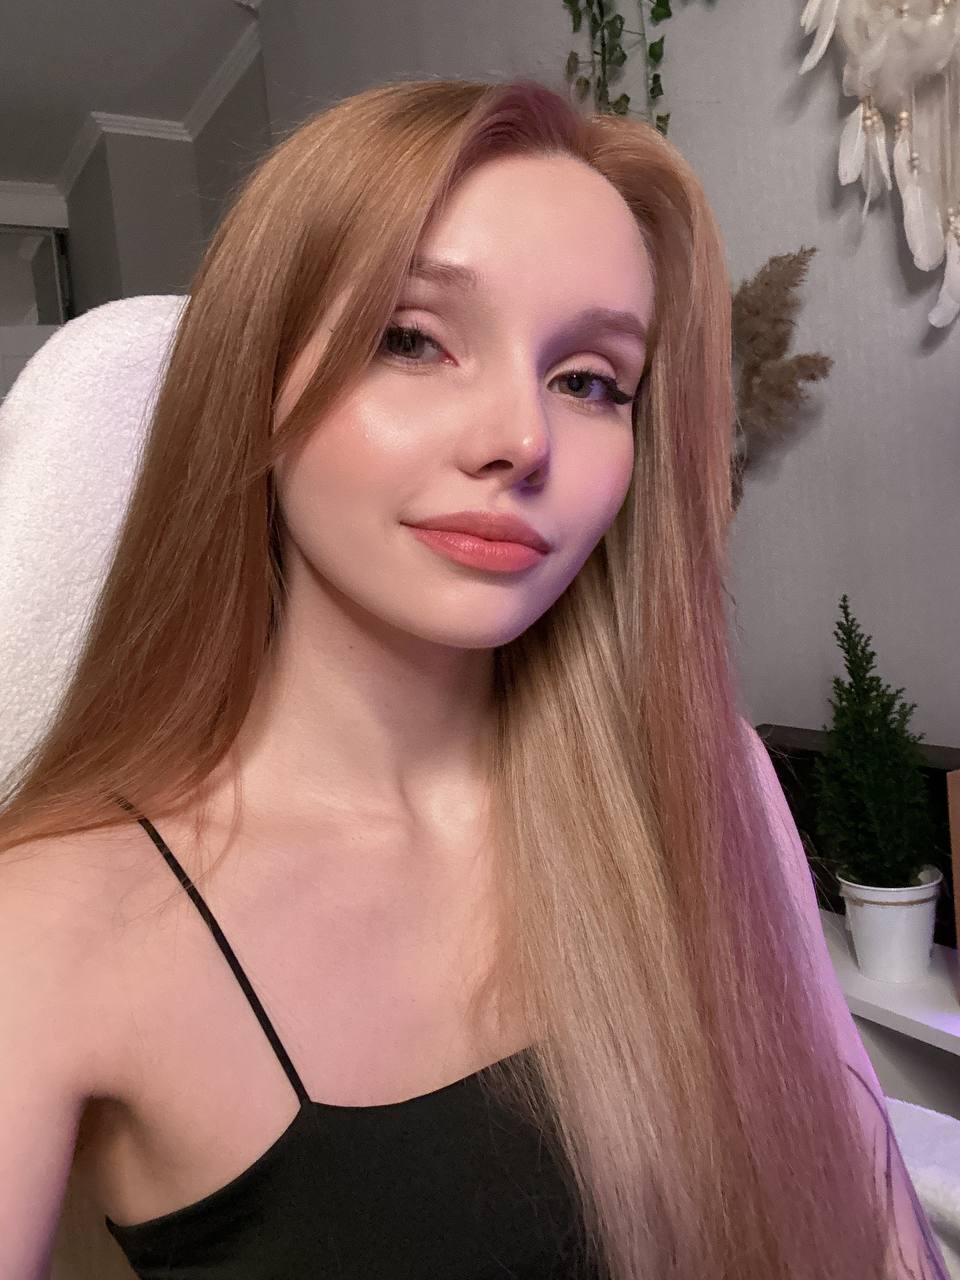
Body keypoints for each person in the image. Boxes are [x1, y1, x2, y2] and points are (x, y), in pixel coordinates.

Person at [0, 76, 950, 1280]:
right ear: (252, 382)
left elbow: (867, 1216)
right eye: (412, 338)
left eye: (590, 379)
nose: (523, 439)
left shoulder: (704, 778)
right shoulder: (52, 924)